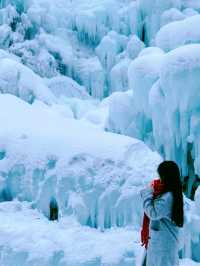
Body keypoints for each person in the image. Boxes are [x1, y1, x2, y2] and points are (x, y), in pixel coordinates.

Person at [140, 161, 184, 266]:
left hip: (163, 247)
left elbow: (153, 213)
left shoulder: (168, 197)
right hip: (162, 245)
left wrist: (147, 194)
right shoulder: (172, 194)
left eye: (161, 176)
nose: (159, 179)